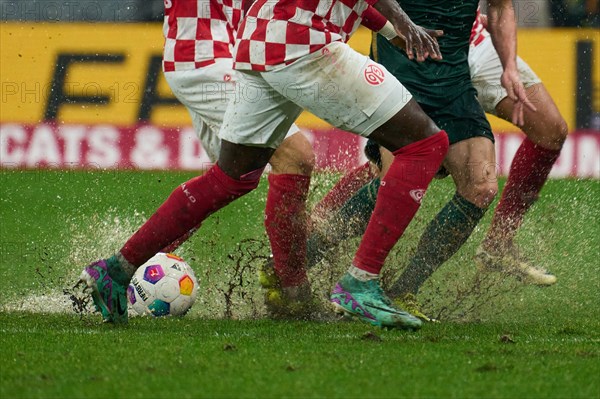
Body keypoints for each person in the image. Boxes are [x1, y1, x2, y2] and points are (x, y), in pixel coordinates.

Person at [78, 0, 449, 329]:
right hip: (300, 43)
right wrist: (403, 23)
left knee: (232, 176)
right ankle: (360, 283)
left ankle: (117, 269)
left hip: (257, 42)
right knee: (425, 144)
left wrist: (391, 29)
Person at [303, 2, 567, 319]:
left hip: (464, 49)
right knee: (398, 173)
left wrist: (509, 64)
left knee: (492, 175)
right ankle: (296, 264)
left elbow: (499, 6)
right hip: (406, 44)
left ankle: (414, 286)